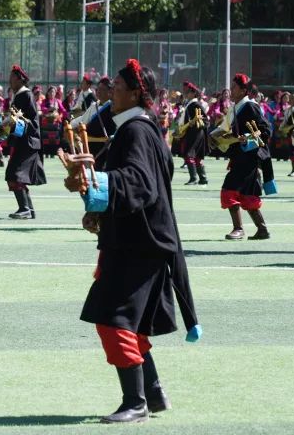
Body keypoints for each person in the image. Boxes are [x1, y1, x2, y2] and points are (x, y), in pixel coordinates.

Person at [63, 59, 200, 423]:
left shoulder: (136, 131)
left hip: (138, 245)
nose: (111, 95)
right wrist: (97, 205)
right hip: (141, 241)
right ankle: (152, 393)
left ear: (136, 93)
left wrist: (96, 182)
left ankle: (135, 402)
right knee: (131, 323)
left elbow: (139, 184)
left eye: (118, 89)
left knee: (113, 318)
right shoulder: (141, 128)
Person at [220, 74, 273, 241]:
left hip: (249, 158)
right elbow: (227, 131)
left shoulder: (250, 106)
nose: (231, 90)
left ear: (243, 91)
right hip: (239, 157)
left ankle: (238, 229)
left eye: (234, 87)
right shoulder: (235, 108)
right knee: (247, 194)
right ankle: (262, 229)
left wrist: (247, 138)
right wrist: (216, 137)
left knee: (229, 190)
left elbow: (266, 131)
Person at [5, 66, 46, 219]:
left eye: (12, 77)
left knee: (14, 174)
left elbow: (32, 123)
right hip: (23, 141)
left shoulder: (25, 95)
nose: (9, 80)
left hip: (27, 142)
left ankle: (24, 209)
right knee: (17, 175)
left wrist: (12, 123)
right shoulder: (19, 96)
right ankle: (29, 209)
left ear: (20, 79)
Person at [70, 76, 115, 157]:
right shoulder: (94, 105)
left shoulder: (113, 107)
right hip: (91, 147)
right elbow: (83, 119)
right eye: (98, 89)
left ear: (110, 91)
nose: (98, 92)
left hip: (107, 147)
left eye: (102, 89)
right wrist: (70, 124)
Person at [177, 82, 209, 185]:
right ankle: (203, 178)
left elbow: (205, 120)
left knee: (189, 154)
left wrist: (194, 123)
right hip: (191, 133)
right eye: (186, 92)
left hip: (196, 133)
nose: (186, 94)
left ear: (194, 93)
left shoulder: (195, 104)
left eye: (189, 92)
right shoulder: (190, 104)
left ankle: (193, 178)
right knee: (196, 156)